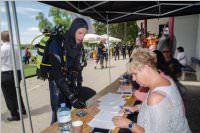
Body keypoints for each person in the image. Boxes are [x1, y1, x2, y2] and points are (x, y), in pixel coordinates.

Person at [112, 48, 191, 133]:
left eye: (135, 74)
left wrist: (129, 124)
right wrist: (135, 108)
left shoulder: (156, 97)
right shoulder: (165, 80)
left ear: (146, 68)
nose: (134, 79)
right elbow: (161, 108)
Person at [47, 18, 96, 124]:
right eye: (80, 33)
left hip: (69, 81)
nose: (82, 37)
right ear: (73, 30)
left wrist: (77, 90)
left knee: (68, 113)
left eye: (84, 33)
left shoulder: (77, 44)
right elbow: (57, 74)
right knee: (59, 116)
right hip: (57, 83)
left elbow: (78, 69)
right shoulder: (57, 44)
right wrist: (71, 96)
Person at [1, 31, 26, 121]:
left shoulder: (1, 49)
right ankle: (22, 109)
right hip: (17, 72)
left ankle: (15, 114)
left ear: (1, 38)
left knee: (9, 96)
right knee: (17, 91)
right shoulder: (16, 48)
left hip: (6, 73)